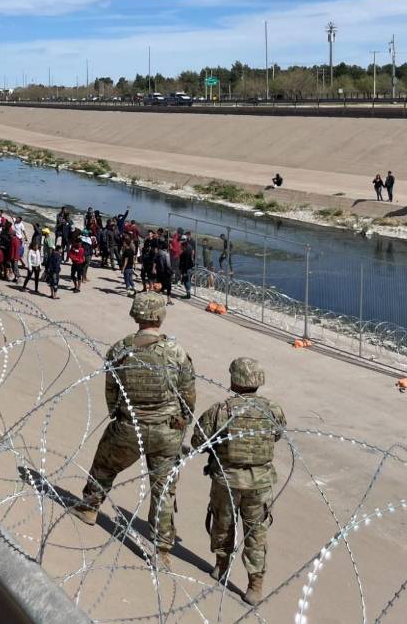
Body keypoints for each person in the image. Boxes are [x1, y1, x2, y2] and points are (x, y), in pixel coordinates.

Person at [69, 292, 195, 571]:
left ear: (135, 315)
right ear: (160, 317)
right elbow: (188, 395)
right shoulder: (176, 352)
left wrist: (119, 415)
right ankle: (161, 550)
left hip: (130, 426)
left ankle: (90, 507)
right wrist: (182, 420)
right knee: (163, 490)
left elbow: (111, 392)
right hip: (166, 432)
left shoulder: (120, 349)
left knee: (104, 464)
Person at [192, 357, 285, 606]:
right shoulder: (272, 409)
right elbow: (277, 435)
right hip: (260, 483)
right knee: (256, 533)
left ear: (234, 381)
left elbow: (198, 441)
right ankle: (255, 584)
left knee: (222, 525)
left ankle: (221, 565)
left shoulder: (221, 410)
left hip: (227, 479)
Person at [179, 232, 195, 299]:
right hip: (188, 267)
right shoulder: (188, 246)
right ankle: (188, 293)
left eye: (182, 240)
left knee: (186, 280)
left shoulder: (187, 248)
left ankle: (188, 294)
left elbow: (186, 260)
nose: (180, 241)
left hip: (186, 267)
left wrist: (184, 271)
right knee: (187, 280)